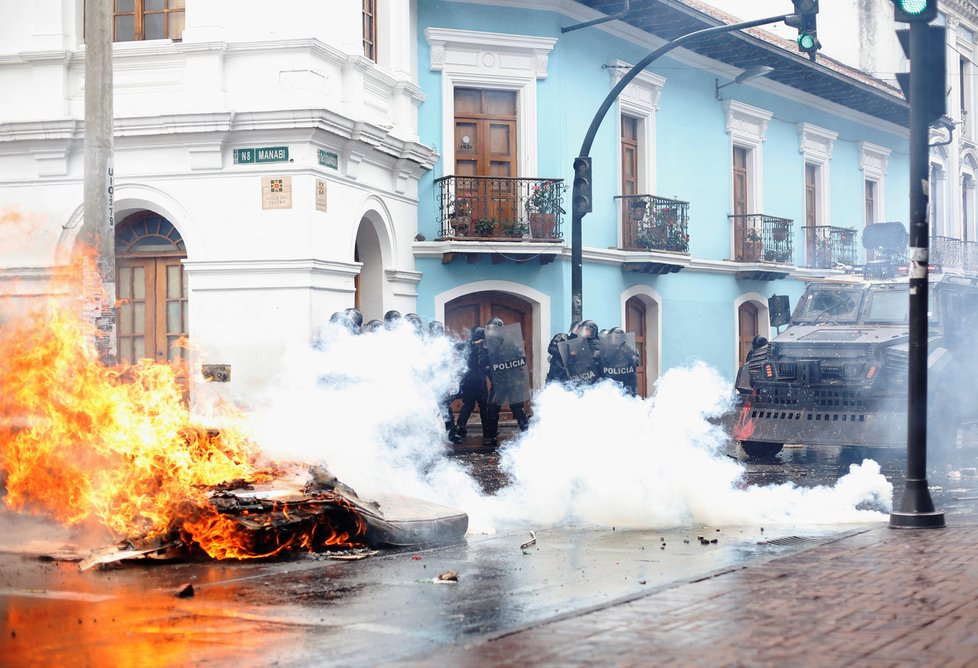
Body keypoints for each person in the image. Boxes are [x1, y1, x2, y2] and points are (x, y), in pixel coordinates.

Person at [485, 317, 530, 433]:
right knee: (492, 408)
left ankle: (527, 433)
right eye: (489, 328)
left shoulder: (510, 342)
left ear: (500, 329)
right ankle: (491, 435)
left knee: (517, 408)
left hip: (511, 381)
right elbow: (485, 361)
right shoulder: (488, 343)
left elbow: (521, 359)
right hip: (498, 381)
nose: (491, 331)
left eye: (493, 328)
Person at [454, 326, 495, 445]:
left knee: (468, 405)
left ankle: (460, 429)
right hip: (479, 381)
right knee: (484, 408)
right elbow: (487, 365)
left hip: (468, 380)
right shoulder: (484, 348)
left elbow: (457, 347)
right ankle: (487, 435)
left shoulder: (468, 346)